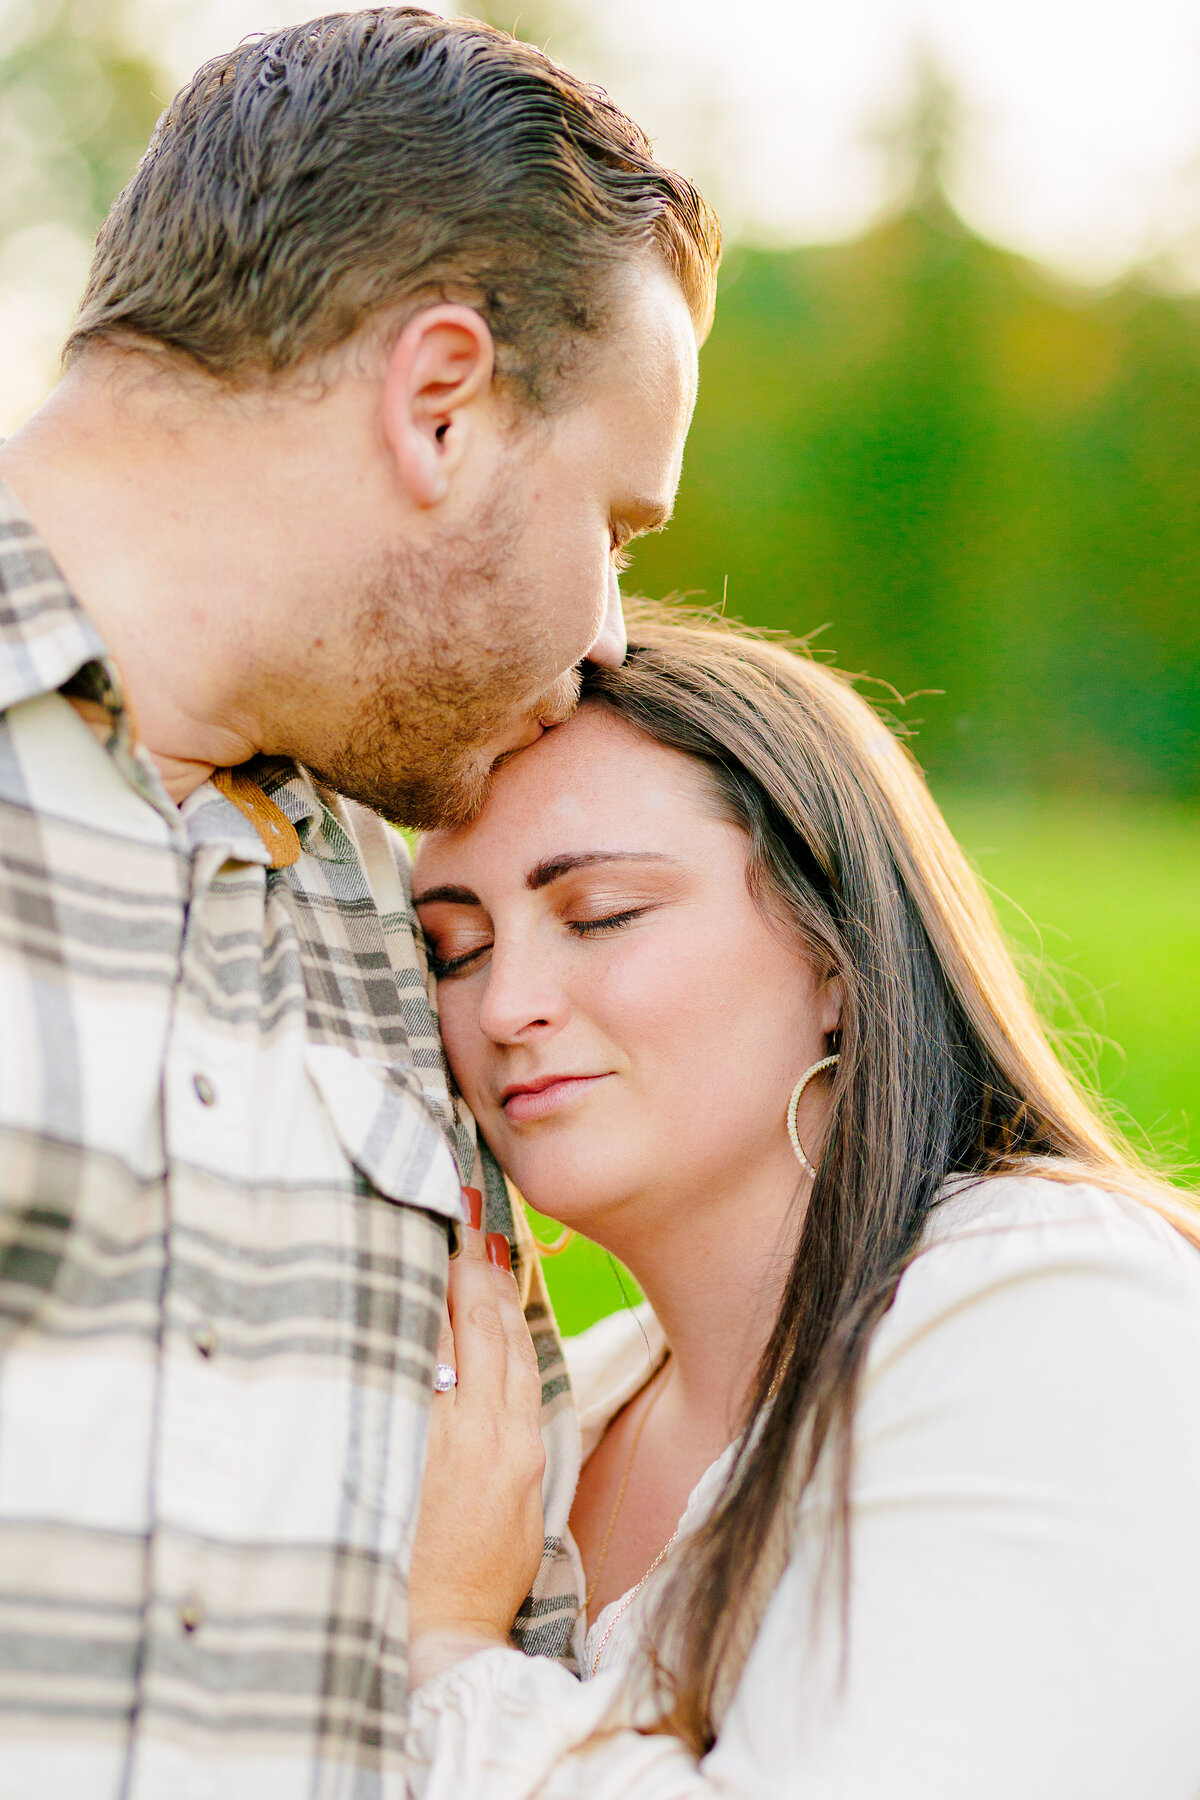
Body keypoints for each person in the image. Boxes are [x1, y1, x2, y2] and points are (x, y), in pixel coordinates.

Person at [0, 10, 719, 1796]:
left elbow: (509, 1648)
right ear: (442, 402)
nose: (611, 634)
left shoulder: (416, 949)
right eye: (616, 528)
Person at [406, 610, 1200, 1799]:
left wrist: (445, 1655)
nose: (506, 1003)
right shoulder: (558, 1410)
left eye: (600, 916)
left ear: (836, 952)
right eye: (454, 950)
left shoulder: (1060, 1309)